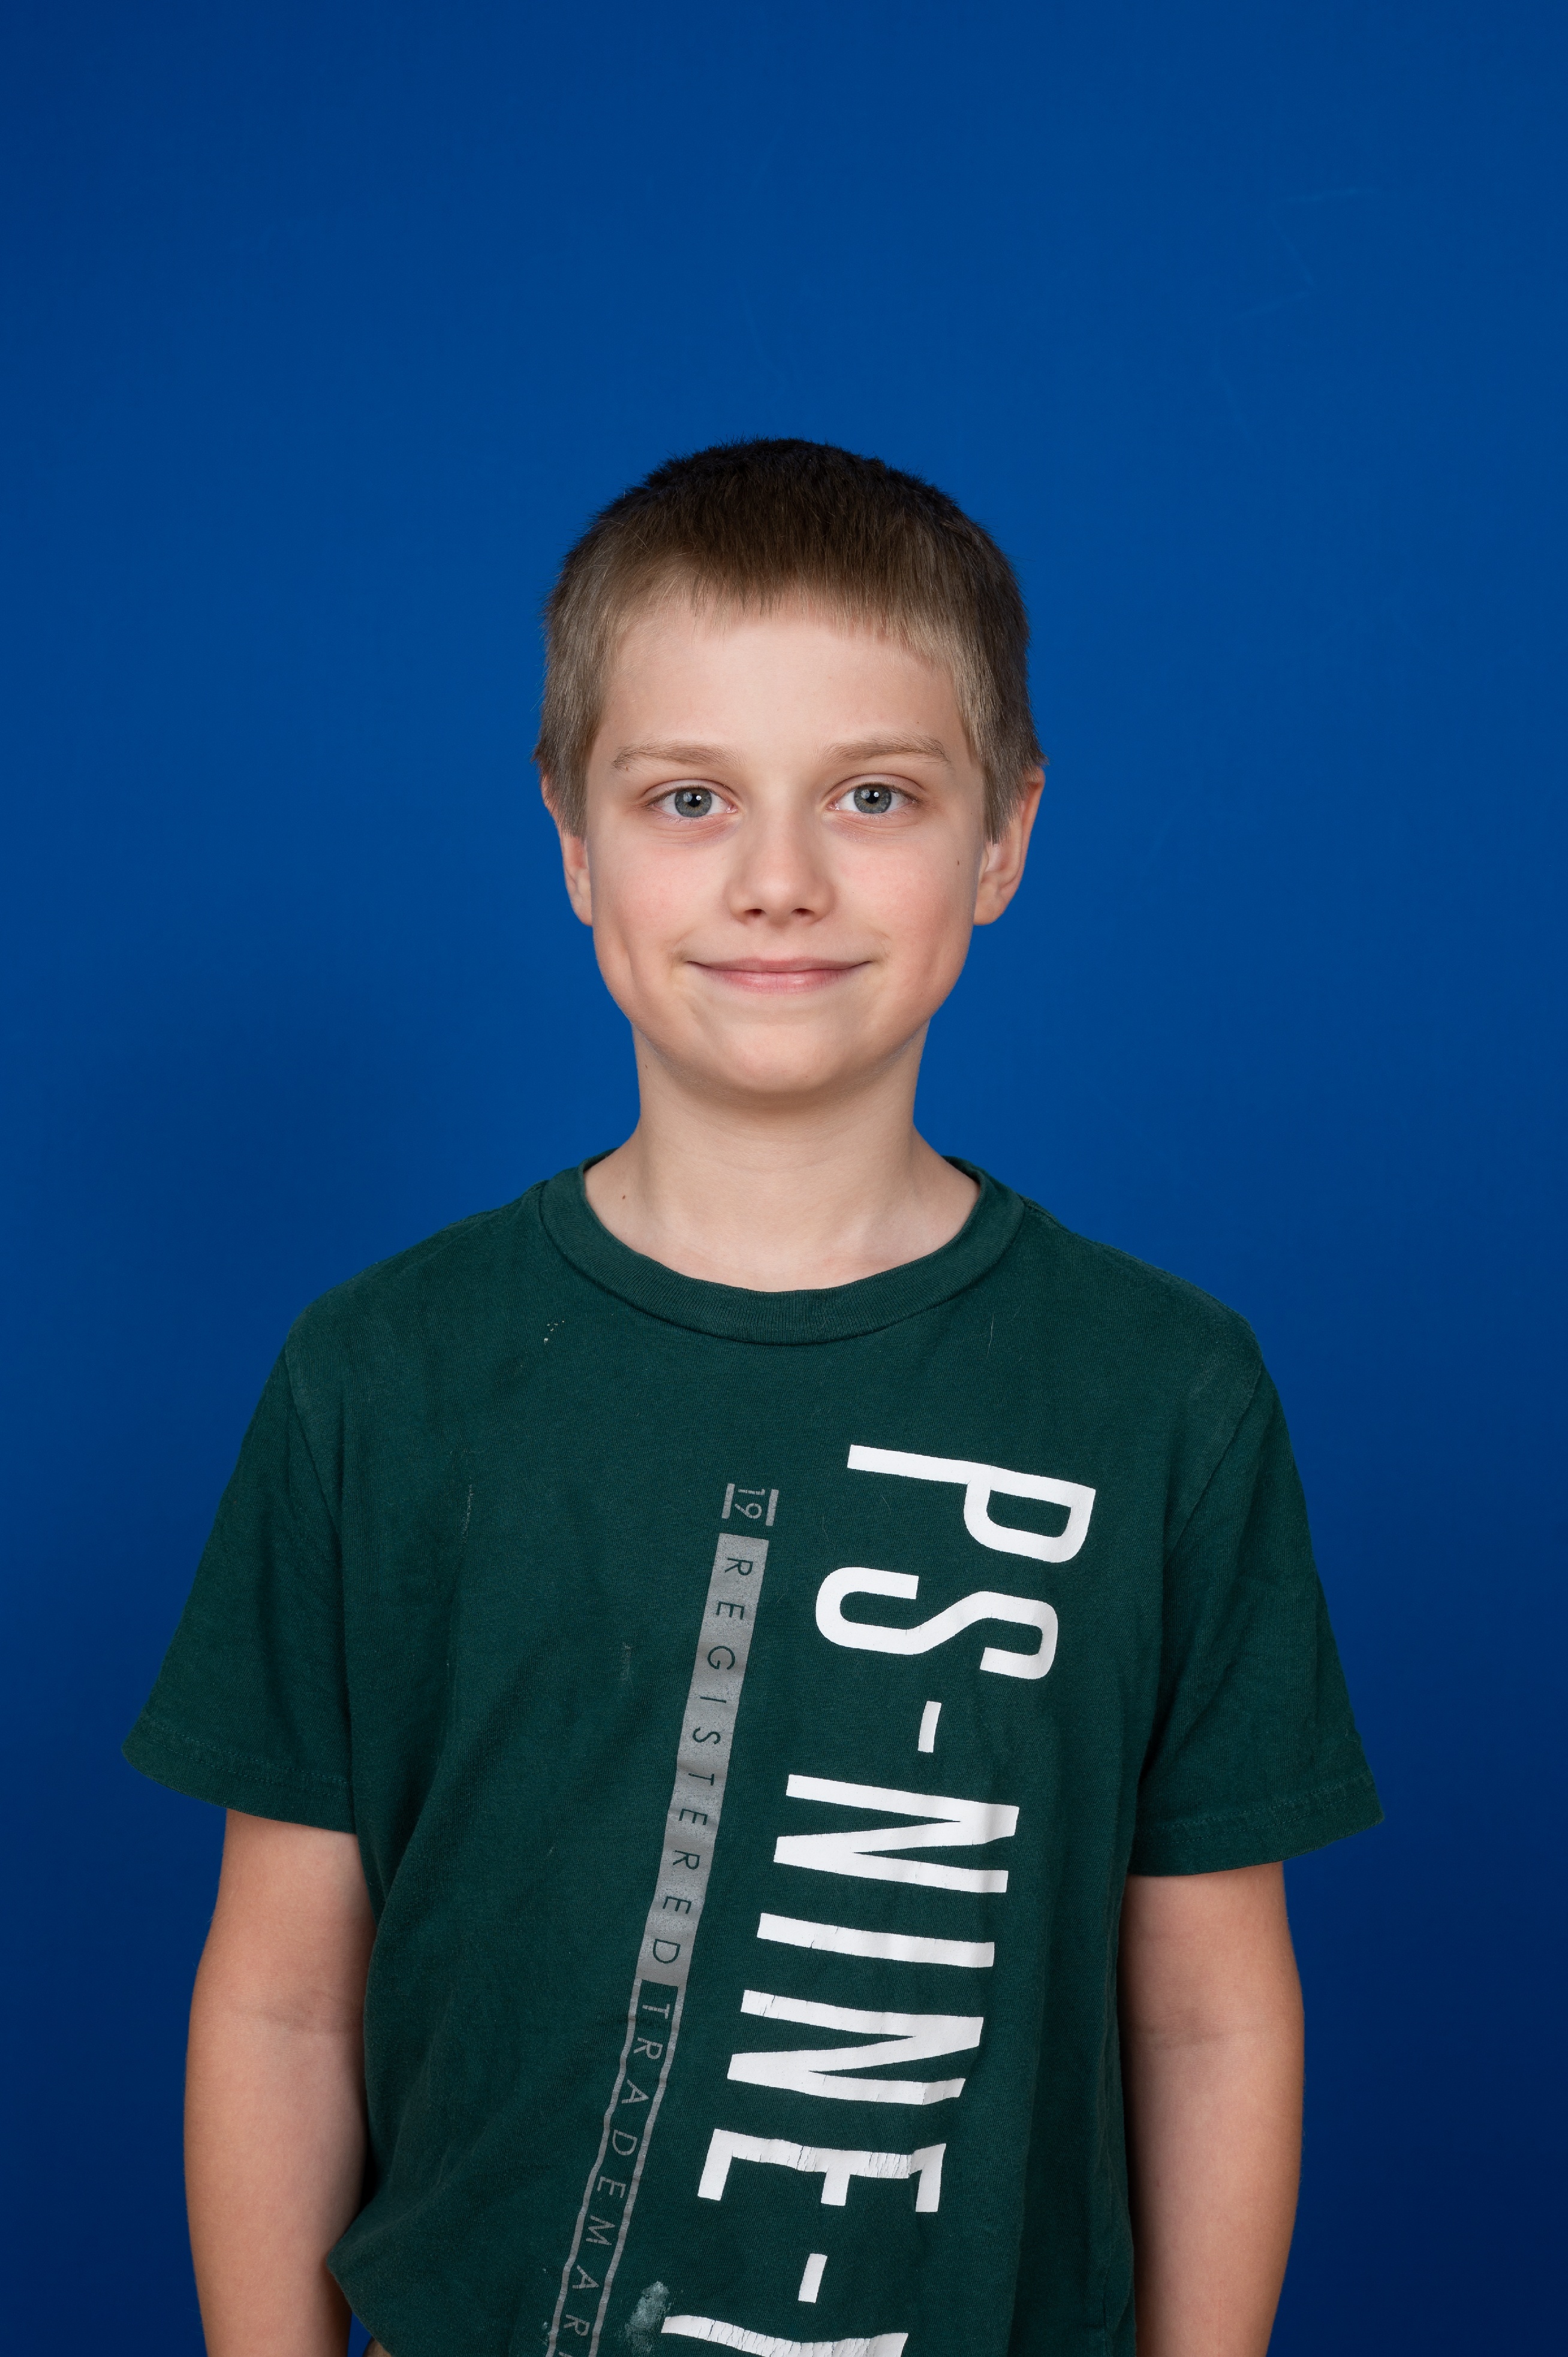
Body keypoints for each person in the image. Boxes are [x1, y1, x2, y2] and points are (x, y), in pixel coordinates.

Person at [126, 438, 1381, 2357]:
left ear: (1004, 834)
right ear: (573, 836)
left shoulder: (1163, 1394)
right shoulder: (379, 1376)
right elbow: (287, 1998)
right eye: (689, 796)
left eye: (873, 795)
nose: (778, 881)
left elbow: (1209, 2010)